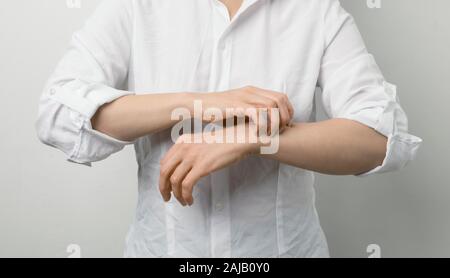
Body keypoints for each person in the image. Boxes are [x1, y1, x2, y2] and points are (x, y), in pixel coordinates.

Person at [36, 0, 422, 257]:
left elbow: (381, 138)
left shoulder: (315, 10)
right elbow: (58, 113)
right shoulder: (138, 5)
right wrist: (199, 104)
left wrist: (254, 139)